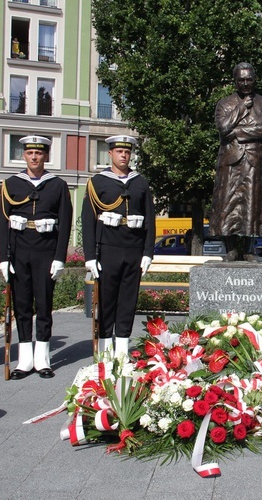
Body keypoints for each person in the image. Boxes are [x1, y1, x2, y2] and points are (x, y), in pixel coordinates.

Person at [0, 136, 72, 380]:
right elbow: (3, 224)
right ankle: (24, 359)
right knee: (21, 305)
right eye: (30, 153)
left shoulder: (57, 185)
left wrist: (60, 256)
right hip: (19, 249)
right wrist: (3, 257)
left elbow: (65, 222)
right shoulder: (10, 184)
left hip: (45, 250)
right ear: (23, 156)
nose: (34, 157)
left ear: (46, 156)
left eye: (39, 153)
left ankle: (42, 358)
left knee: (43, 304)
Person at [82, 135, 155, 359]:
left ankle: (122, 348)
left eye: (127, 152)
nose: (124, 155)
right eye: (119, 151)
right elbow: (88, 220)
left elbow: (150, 220)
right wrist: (90, 256)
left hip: (133, 247)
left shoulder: (139, 182)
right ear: (110, 153)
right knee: (106, 298)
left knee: (128, 299)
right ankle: (105, 347)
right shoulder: (98, 182)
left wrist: (147, 253)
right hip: (108, 247)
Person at [210, 62, 262, 246]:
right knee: (227, 205)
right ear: (235, 81)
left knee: (251, 207)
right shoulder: (225, 104)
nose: (246, 84)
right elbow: (223, 128)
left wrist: (238, 132)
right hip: (230, 160)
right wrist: (240, 109)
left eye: (249, 80)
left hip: (255, 160)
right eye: (241, 80)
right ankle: (229, 248)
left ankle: (249, 249)